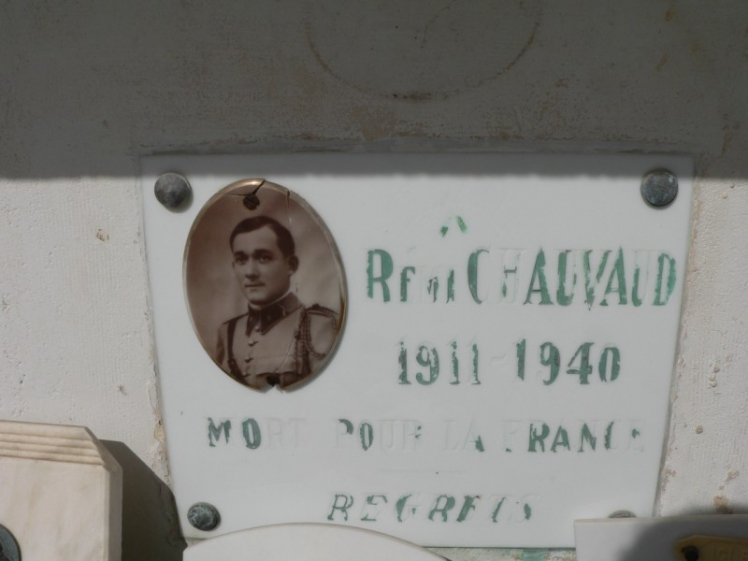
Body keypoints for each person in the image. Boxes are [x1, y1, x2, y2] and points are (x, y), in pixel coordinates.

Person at [215, 216, 339, 390]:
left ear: (291, 265)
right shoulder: (227, 332)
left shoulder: (317, 326)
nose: (250, 272)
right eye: (242, 260)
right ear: (234, 266)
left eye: (263, 258)